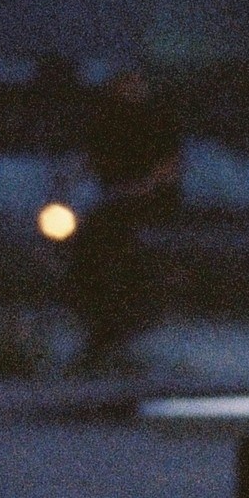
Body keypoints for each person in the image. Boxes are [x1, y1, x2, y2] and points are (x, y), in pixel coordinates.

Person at [68, 69, 182, 360]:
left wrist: (142, 189)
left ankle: (121, 326)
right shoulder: (105, 120)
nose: (129, 90)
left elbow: (168, 169)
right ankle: (97, 325)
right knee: (84, 246)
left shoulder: (157, 120)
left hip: (150, 207)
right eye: (123, 84)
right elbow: (87, 160)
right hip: (112, 203)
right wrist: (68, 181)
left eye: (134, 83)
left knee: (118, 250)